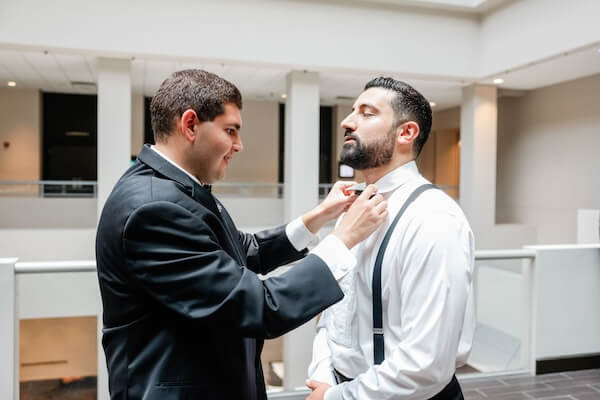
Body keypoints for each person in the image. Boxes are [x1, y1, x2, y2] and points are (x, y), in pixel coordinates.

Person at [95, 69, 388, 400]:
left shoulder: (174, 188)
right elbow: (262, 307)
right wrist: (343, 240)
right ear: (190, 125)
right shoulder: (154, 208)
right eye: (230, 131)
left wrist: (318, 217)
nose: (239, 145)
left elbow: (243, 251)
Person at [307, 77, 475, 400]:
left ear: (406, 133)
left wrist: (336, 398)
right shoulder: (351, 210)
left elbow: (426, 365)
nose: (346, 121)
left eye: (367, 113)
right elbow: (331, 314)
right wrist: (323, 372)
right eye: (352, 111)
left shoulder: (433, 219)